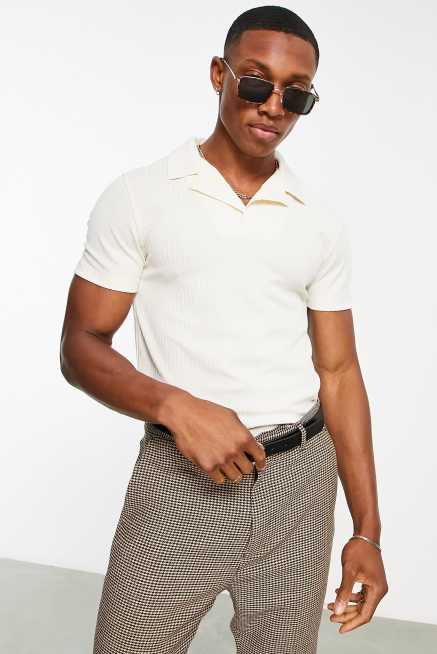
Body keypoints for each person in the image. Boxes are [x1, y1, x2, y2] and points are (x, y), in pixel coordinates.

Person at [60, 5, 388, 653]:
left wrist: (366, 531)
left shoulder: (317, 220)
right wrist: (175, 406)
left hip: (300, 479)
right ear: (219, 74)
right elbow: (80, 346)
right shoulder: (141, 196)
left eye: (296, 94)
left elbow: (339, 371)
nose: (273, 106)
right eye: (257, 82)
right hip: (180, 475)